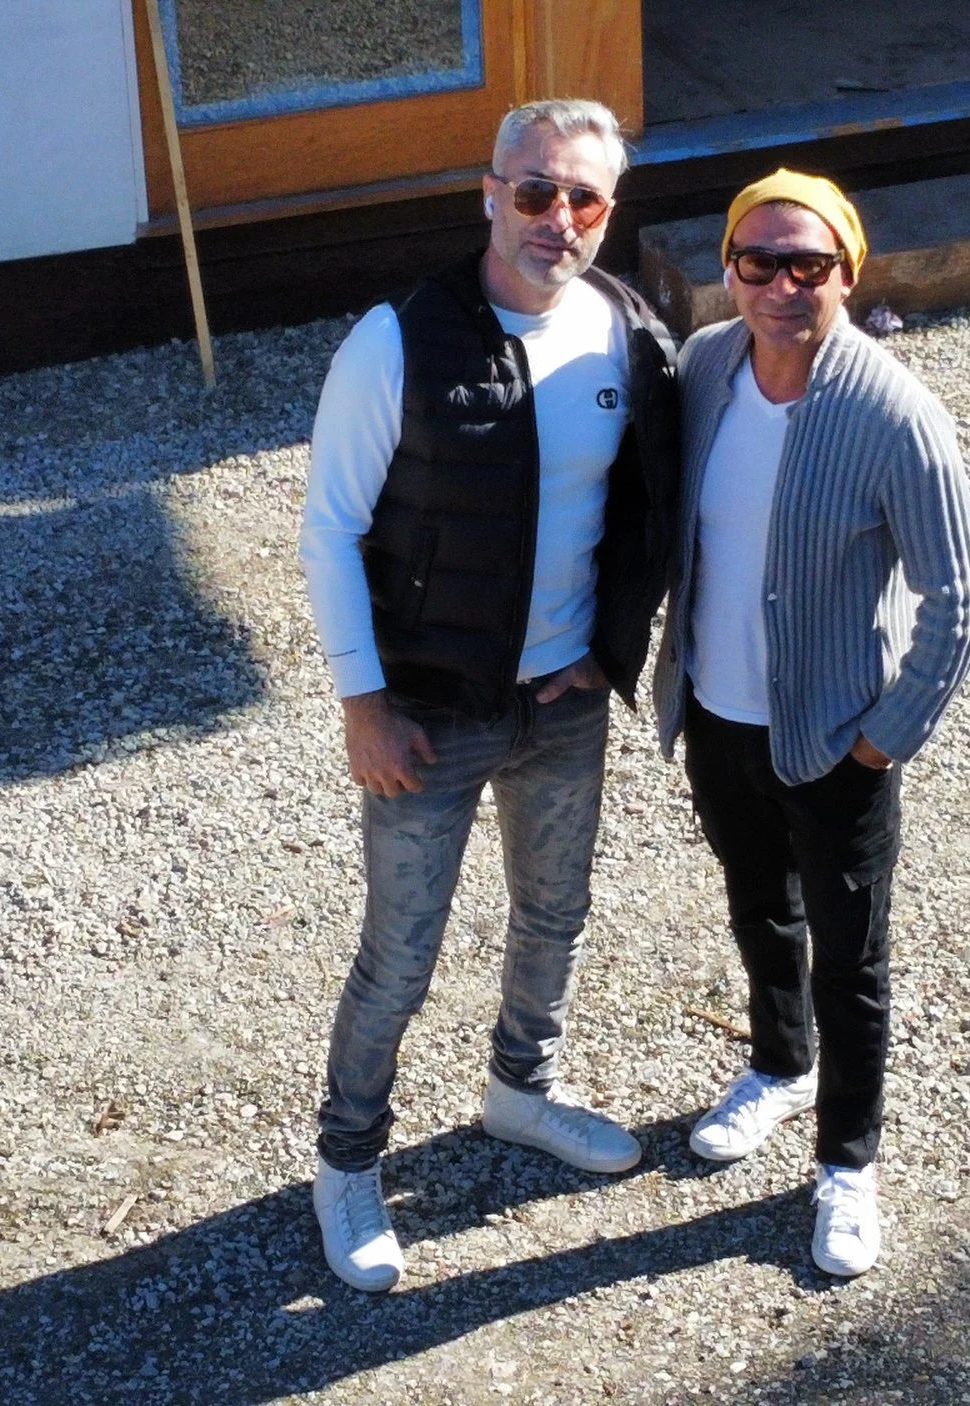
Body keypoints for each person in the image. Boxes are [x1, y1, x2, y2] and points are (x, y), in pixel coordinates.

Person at [297, 98, 680, 1294]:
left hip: (559, 702)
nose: (554, 219)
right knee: (399, 954)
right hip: (430, 708)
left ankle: (521, 1089)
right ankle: (346, 1158)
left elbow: (649, 517)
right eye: (533, 191)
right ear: (487, 192)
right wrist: (365, 703)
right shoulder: (396, 340)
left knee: (552, 914)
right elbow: (327, 526)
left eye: (583, 199)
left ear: (608, 213)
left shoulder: (627, 331)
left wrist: (609, 657)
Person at [653, 170, 970, 1277]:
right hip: (718, 714)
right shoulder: (705, 366)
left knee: (850, 958)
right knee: (760, 908)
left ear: (850, 271)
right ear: (729, 269)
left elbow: (964, 600)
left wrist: (883, 735)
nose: (783, 285)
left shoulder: (894, 412)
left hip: (835, 737)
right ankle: (776, 1062)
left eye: (810, 265)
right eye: (759, 261)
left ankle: (847, 1159)